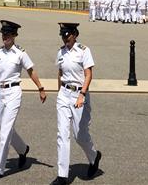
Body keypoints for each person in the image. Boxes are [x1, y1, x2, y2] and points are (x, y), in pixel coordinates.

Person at [0, 20, 48, 180]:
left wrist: (40, 88)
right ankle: (23, 149)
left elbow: (30, 71)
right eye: (3, 34)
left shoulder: (20, 53)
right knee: (2, 127)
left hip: (13, 93)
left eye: (7, 34)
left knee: (4, 133)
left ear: (14, 35)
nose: (4, 37)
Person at [52, 22, 101, 185]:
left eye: (67, 35)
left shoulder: (84, 51)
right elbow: (60, 73)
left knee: (80, 135)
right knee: (62, 134)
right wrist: (59, 93)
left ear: (74, 35)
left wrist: (82, 94)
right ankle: (62, 176)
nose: (65, 38)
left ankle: (94, 156)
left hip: (79, 95)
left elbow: (88, 74)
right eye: (62, 36)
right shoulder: (61, 52)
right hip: (64, 94)